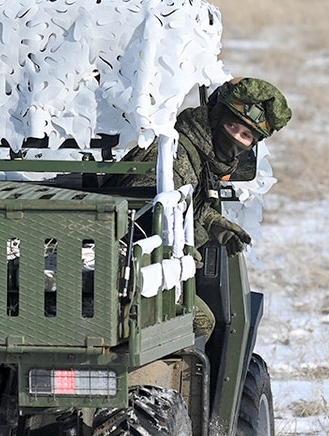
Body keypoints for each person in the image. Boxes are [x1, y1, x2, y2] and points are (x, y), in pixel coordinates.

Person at [114, 77, 291, 336]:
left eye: (246, 136)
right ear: (216, 116)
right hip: (127, 273)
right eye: (232, 126)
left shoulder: (196, 151)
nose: (236, 138)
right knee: (203, 322)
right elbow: (144, 221)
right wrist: (187, 255)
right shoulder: (174, 156)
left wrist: (211, 221)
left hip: (137, 267)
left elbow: (179, 204)